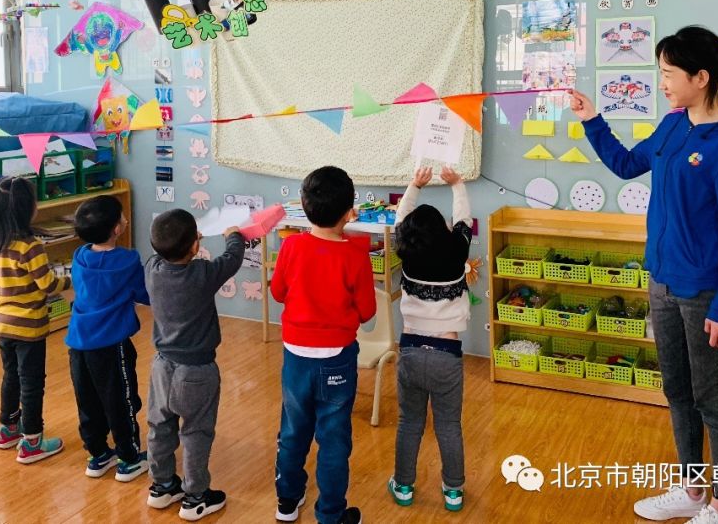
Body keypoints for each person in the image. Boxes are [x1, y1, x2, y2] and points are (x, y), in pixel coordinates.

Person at [570, 26, 718, 524]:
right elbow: (626, 164)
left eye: (668, 74)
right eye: (660, 72)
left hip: (706, 294)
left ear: (701, 77)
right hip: (662, 282)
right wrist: (592, 119)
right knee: (677, 393)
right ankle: (693, 489)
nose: (662, 83)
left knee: (715, 403)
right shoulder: (674, 123)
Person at [271, 166, 376, 524]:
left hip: (295, 355)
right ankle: (330, 514)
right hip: (337, 358)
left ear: (303, 205)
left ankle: (287, 502)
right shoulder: (354, 254)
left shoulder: (291, 246)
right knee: (333, 439)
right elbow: (367, 312)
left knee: (293, 429)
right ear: (349, 212)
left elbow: (278, 292)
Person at [144, 210, 245, 520]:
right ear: (193, 245)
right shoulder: (201, 275)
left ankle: (161, 487)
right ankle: (196, 496)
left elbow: (165, 250)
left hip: (162, 367)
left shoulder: (152, 268)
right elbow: (233, 258)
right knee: (196, 433)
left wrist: (190, 243)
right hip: (198, 370)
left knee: (159, 427)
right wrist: (234, 235)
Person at [387, 165, 472, 513]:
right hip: (446, 355)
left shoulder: (406, 255)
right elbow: (464, 220)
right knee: (448, 426)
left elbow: (400, 222)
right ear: (444, 232)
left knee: (410, 423)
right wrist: (457, 185)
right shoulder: (456, 255)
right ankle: (453, 491)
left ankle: (403, 486)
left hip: (409, 352)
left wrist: (414, 185)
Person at [0, 177, 71, 464]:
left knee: (11, 377)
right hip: (29, 325)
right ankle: (32, 441)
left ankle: (8, 429)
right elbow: (47, 284)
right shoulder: (30, 246)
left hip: (3, 323)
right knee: (32, 383)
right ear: (27, 209)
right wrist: (72, 279)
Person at [67, 195, 150, 482]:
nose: (126, 220)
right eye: (122, 217)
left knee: (87, 400)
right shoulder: (127, 261)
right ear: (117, 229)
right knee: (121, 400)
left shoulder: (79, 257)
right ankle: (128, 458)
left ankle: (98, 454)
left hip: (78, 343)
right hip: (111, 345)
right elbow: (144, 293)